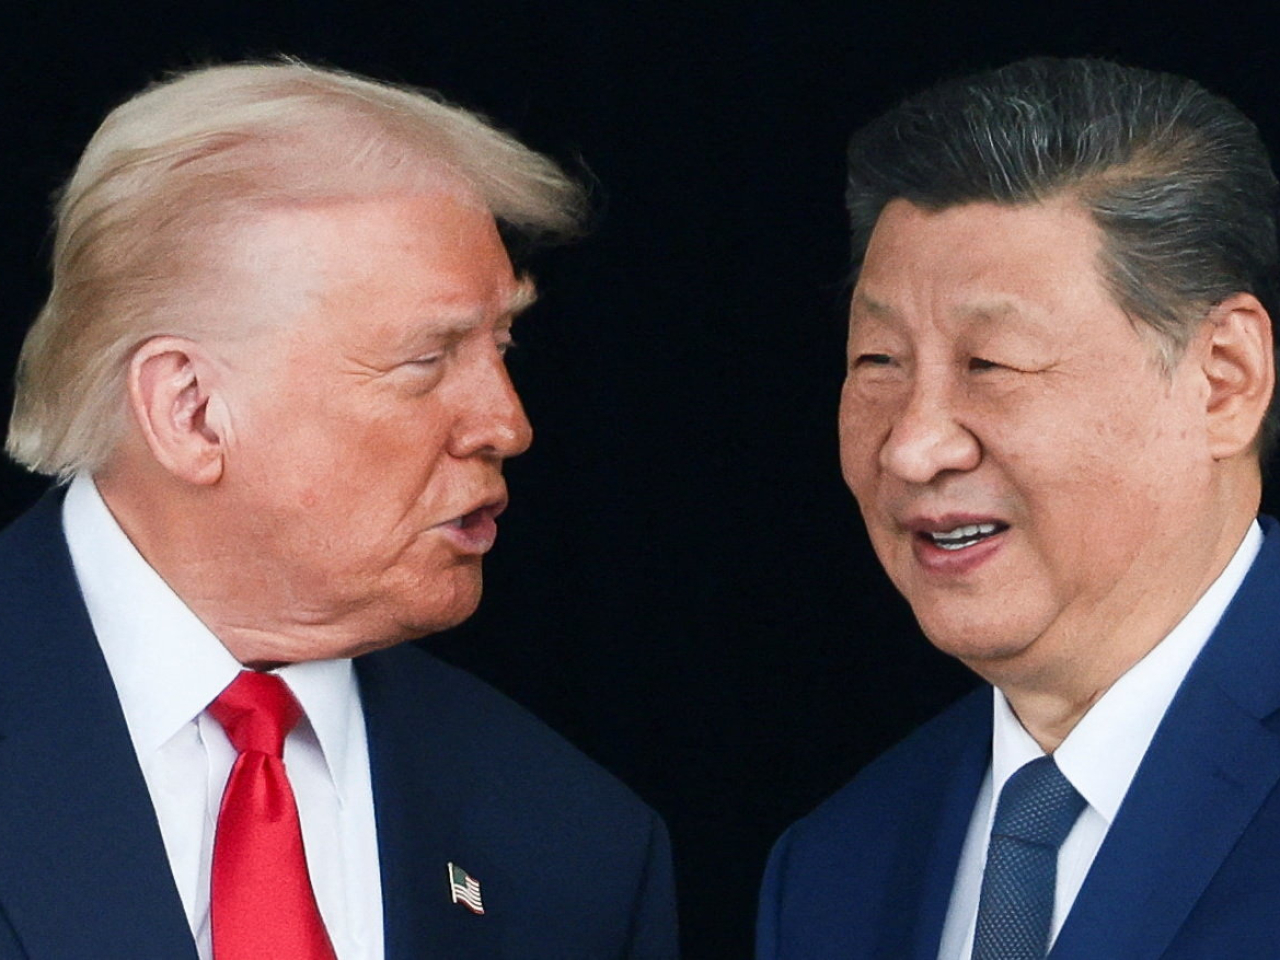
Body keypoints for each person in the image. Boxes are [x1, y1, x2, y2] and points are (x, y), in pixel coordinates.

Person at [0, 60, 676, 960]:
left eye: (501, 342)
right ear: (191, 410)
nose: (507, 423)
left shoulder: (575, 843)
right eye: (427, 360)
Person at [757, 57, 1280, 959]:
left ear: (1222, 382)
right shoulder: (835, 867)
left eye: (990, 364)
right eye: (879, 362)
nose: (914, 448)